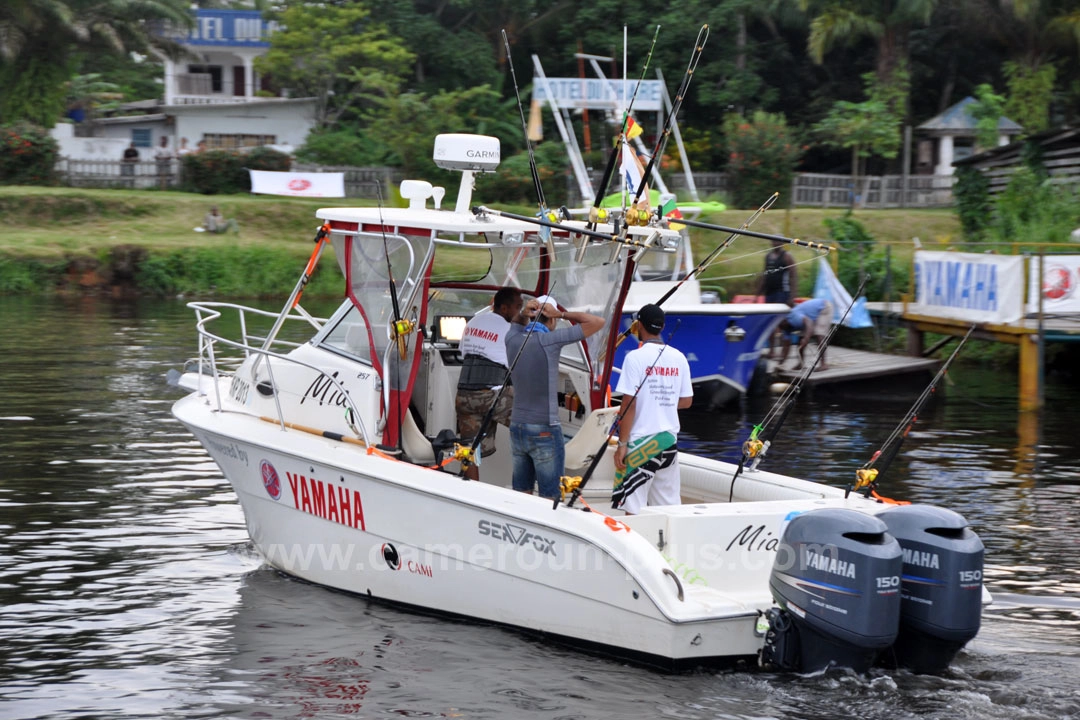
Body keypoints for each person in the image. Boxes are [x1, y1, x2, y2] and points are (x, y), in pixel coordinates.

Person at [505, 295, 604, 500]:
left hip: (518, 427)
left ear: (531, 317)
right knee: (550, 497)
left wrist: (524, 312)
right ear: (551, 320)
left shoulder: (512, 340)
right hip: (544, 429)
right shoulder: (550, 340)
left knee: (521, 495)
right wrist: (561, 313)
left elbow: (516, 322)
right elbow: (597, 322)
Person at [611, 304, 693, 514]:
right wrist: (660, 402)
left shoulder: (634, 358)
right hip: (668, 442)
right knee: (667, 511)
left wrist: (622, 444)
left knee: (634, 510)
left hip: (642, 444)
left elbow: (628, 406)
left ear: (638, 326)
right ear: (662, 326)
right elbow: (686, 401)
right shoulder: (679, 357)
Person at [455, 287, 524, 481]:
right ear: (504, 308)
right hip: (492, 395)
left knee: (469, 450)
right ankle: (527, 489)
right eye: (518, 307)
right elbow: (516, 364)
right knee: (530, 428)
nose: (520, 311)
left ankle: (471, 491)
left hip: (464, 395)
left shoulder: (474, 321)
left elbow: (464, 353)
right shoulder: (510, 329)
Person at [777, 297, 834, 371]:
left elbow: (809, 323)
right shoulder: (785, 327)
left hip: (823, 307)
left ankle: (824, 364)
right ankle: (801, 364)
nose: (782, 329)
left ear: (785, 321)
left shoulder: (793, 317)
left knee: (819, 335)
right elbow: (786, 347)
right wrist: (780, 364)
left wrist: (806, 339)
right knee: (800, 341)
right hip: (809, 317)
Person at [758, 239, 796, 307]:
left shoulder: (787, 256)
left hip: (782, 291)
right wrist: (757, 294)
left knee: (778, 313)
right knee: (769, 313)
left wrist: (792, 297)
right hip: (769, 291)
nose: (776, 243)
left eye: (778, 241)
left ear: (782, 243)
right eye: (774, 241)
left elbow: (793, 276)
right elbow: (764, 275)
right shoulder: (768, 256)